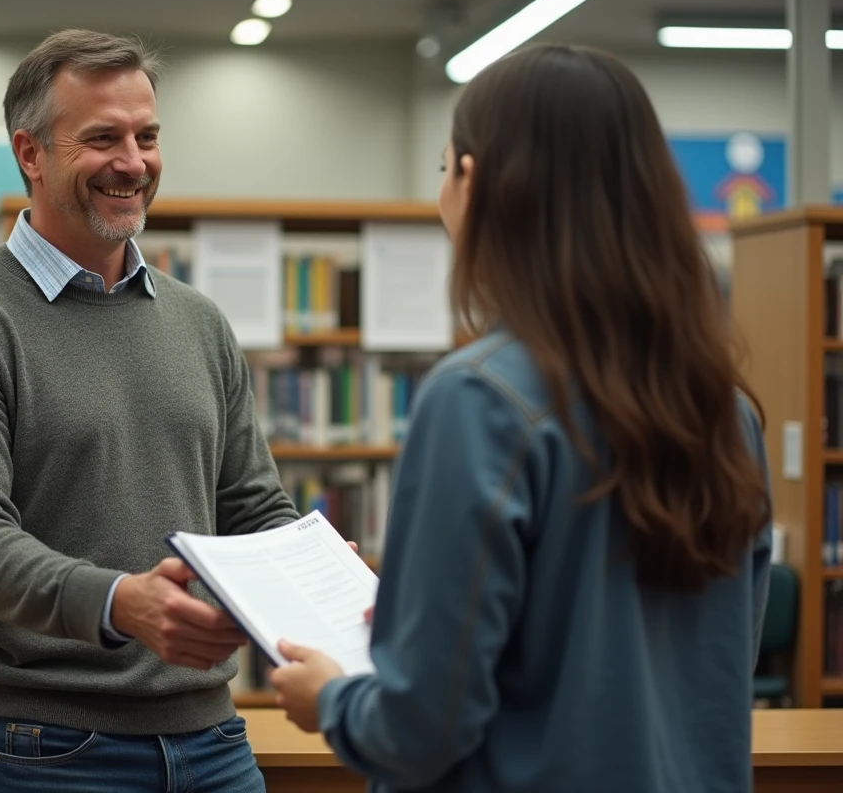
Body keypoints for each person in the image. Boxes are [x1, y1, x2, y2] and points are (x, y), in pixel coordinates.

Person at [269, 44, 774, 793]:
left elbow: (420, 731)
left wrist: (333, 699)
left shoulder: (477, 400)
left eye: (444, 169)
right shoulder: (727, 413)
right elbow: (711, 660)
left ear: (473, 181)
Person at [0, 28, 301, 792]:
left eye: (147, 136)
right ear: (31, 155)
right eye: (103, 138)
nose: (134, 163)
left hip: (213, 738)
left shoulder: (198, 321)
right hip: (47, 749)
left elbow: (251, 503)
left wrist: (306, 569)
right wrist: (120, 603)